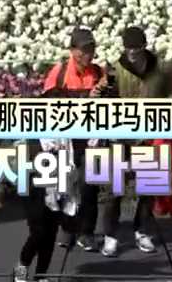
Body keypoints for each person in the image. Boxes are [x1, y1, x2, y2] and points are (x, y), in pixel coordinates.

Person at [96, 27, 172, 257]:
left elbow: (168, 96)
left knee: (148, 187)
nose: (131, 52)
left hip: (150, 136)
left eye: (136, 48)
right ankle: (110, 235)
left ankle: (142, 230)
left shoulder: (159, 69)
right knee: (115, 188)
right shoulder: (115, 70)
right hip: (121, 135)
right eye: (128, 47)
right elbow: (105, 100)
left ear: (144, 47)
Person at [43, 28, 106, 251]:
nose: (88, 54)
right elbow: (49, 105)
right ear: (73, 51)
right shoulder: (59, 73)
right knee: (66, 186)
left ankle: (87, 232)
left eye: (91, 49)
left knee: (89, 186)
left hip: (90, 139)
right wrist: (83, 99)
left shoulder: (98, 73)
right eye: (84, 49)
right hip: (65, 139)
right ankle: (67, 230)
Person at [15, 94, 81, 282]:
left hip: (60, 186)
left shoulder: (67, 134)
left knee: (50, 235)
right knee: (38, 233)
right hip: (35, 189)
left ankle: (41, 276)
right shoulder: (33, 133)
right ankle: (20, 272)